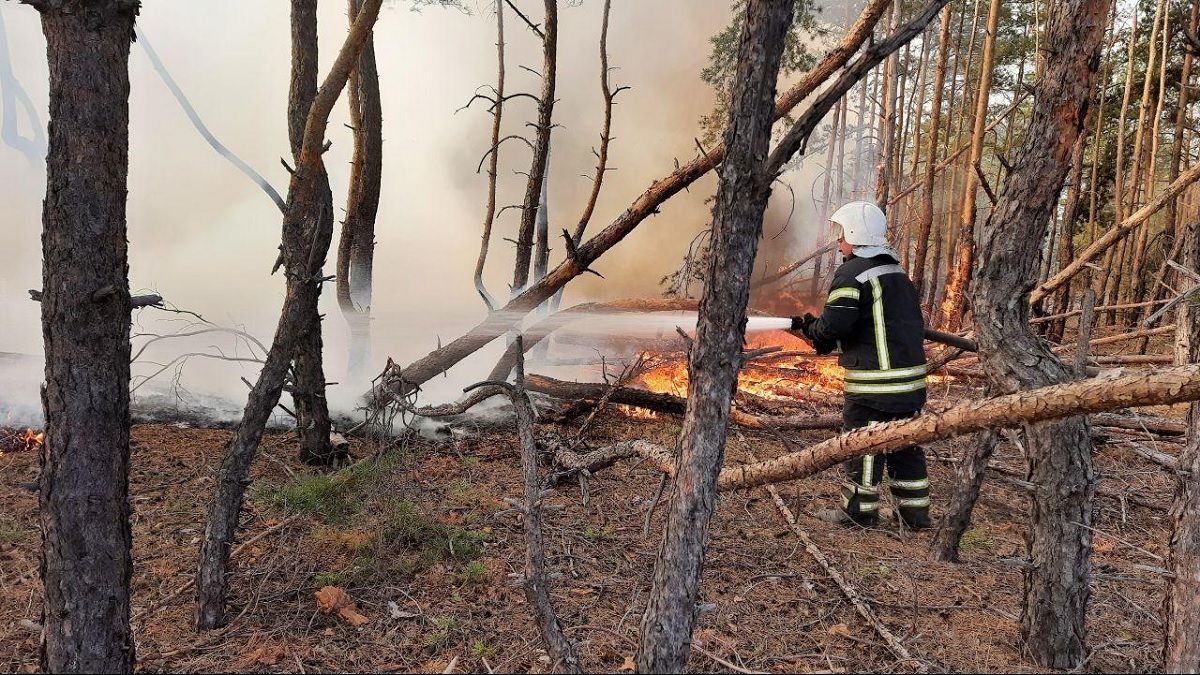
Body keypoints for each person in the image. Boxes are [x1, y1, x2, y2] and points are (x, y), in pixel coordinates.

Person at [792, 200, 931, 529]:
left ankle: (858, 513)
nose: (839, 243)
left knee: (863, 442)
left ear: (854, 234)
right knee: (905, 442)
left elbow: (835, 325)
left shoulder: (852, 272)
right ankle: (914, 514)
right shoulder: (895, 272)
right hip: (911, 383)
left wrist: (810, 330)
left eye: (841, 235)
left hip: (875, 385)